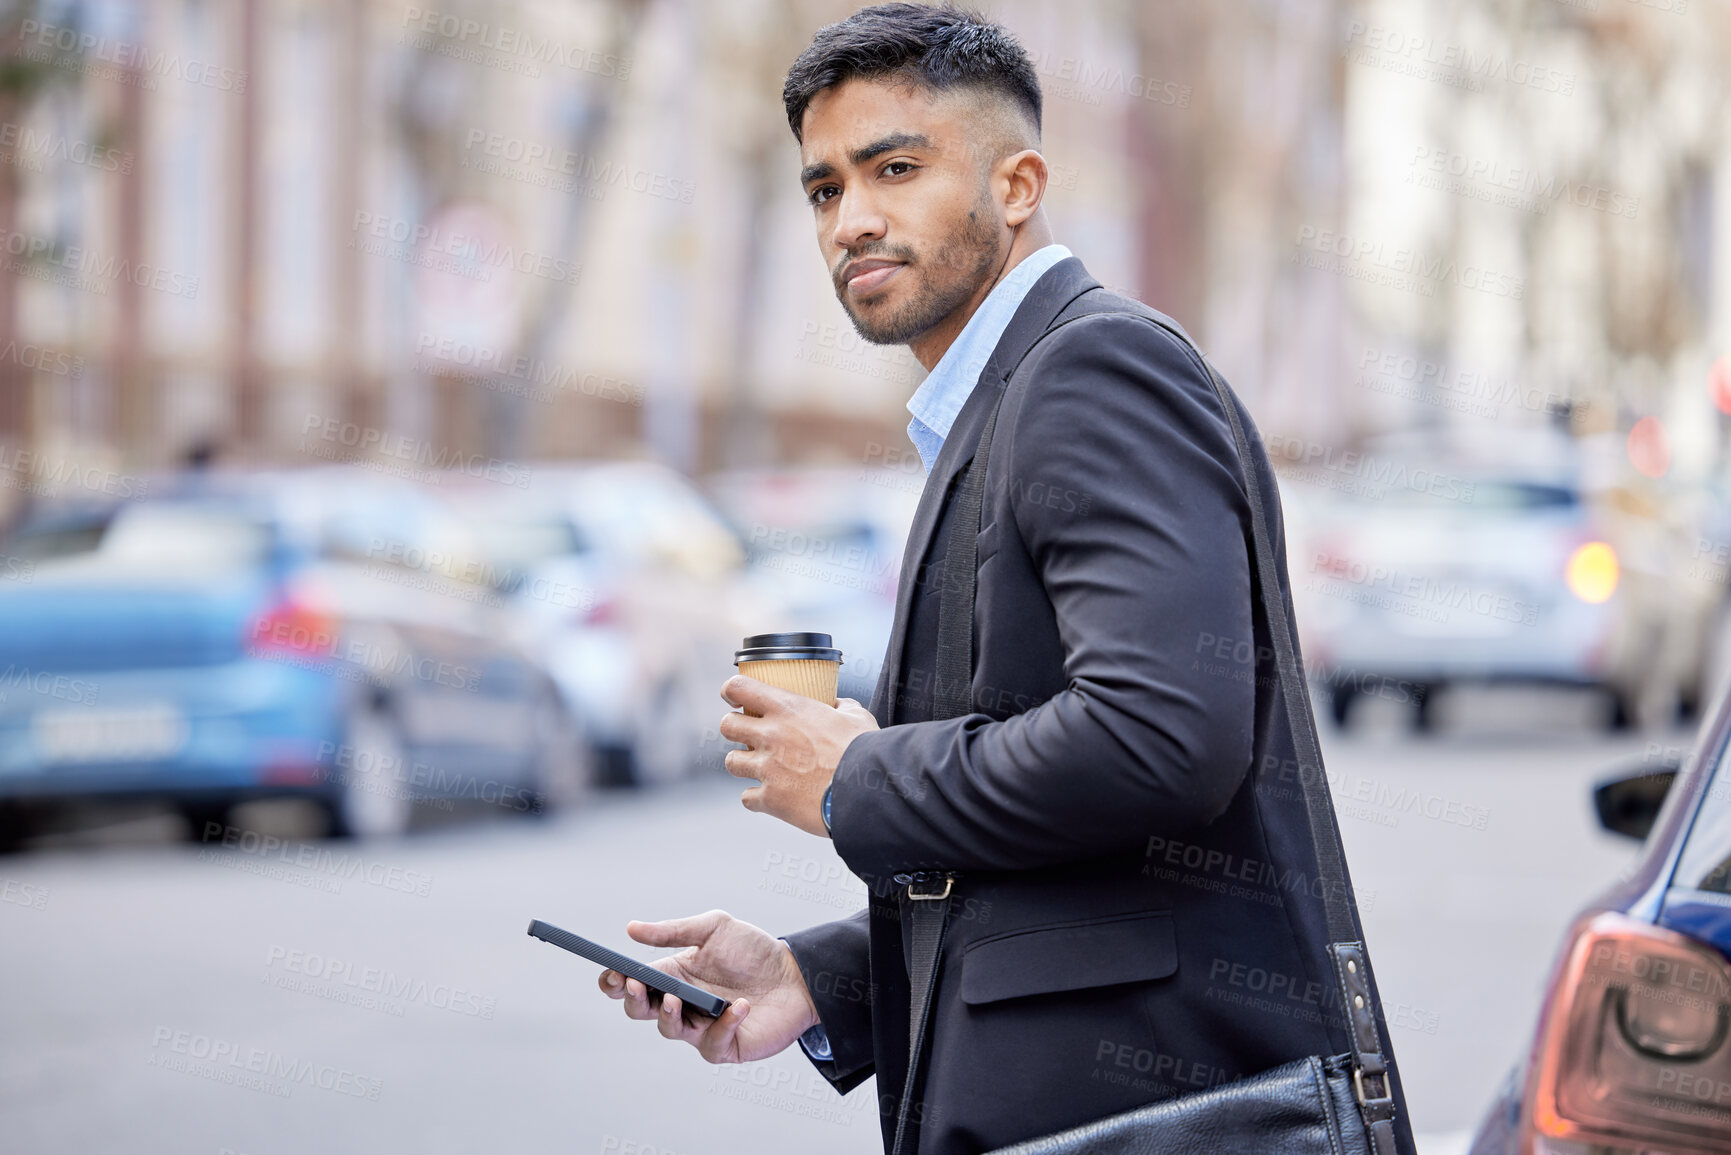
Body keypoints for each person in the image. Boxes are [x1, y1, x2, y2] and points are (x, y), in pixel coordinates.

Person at [598, 6, 1417, 1154]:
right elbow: (1063, 865)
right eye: (825, 189)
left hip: (1157, 1120)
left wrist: (858, 777)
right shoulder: (1001, 405)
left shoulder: (1089, 371)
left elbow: (1160, 737)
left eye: (896, 168)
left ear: (1019, 184)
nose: (853, 220)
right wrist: (820, 978)